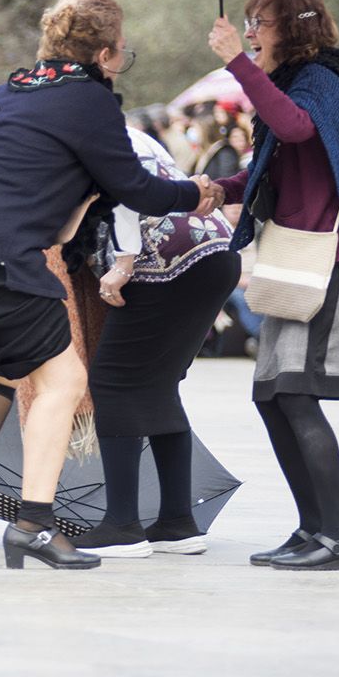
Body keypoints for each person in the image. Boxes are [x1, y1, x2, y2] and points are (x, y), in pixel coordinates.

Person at [0, 0, 216, 570]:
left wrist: (19, 200)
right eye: (122, 55)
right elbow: (137, 188)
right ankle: (33, 523)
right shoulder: (89, 104)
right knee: (66, 380)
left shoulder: (3, 94)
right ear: (105, 55)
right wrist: (194, 195)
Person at [206, 0, 339, 571]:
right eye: (247, 23)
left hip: (326, 257)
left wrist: (234, 63)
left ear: (294, 29)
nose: (250, 33)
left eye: (260, 23)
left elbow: (298, 129)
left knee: (295, 395)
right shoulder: (288, 85)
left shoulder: (322, 82)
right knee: (274, 398)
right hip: (296, 256)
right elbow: (272, 161)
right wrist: (215, 190)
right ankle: (314, 529)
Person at [70, 126, 241, 558]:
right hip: (218, 247)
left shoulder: (81, 133)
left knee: (112, 380)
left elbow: (129, 194)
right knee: (159, 384)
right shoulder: (127, 130)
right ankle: (178, 523)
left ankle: (123, 525)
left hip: (165, 255)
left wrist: (124, 261)